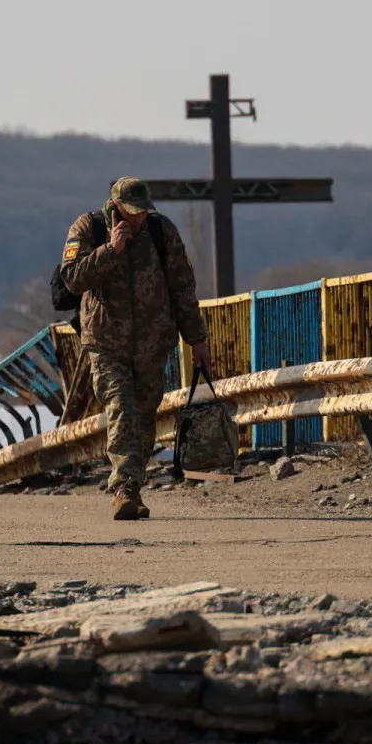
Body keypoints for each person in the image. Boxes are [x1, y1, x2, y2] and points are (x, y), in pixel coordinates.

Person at [58, 177, 213, 520]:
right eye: (132, 212)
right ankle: (125, 490)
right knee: (121, 409)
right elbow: (72, 278)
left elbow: (182, 288)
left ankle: (133, 485)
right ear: (114, 206)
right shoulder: (89, 227)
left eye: (144, 212)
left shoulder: (161, 231)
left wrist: (197, 340)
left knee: (144, 418)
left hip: (153, 344)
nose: (139, 218)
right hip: (105, 342)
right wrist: (110, 251)